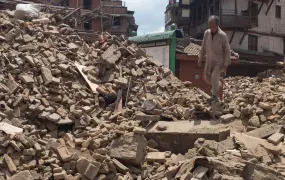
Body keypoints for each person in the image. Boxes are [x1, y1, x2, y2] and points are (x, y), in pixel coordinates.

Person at [198, 15, 231, 104]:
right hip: (209, 60)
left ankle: (215, 97)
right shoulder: (206, 33)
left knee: (214, 77)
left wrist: (225, 63)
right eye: (209, 25)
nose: (211, 27)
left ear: (217, 25)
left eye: (212, 25)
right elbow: (203, 47)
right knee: (207, 77)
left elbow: (227, 50)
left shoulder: (222, 35)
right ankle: (218, 84)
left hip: (219, 61)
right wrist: (200, 59)